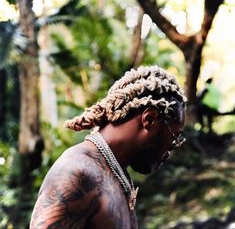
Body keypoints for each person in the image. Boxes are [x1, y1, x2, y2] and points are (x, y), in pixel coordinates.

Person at [30, 65, 187, 229]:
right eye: (174, 137)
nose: (171, 150)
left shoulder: (117, 173)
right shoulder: (76, 174)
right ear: (149, 119)